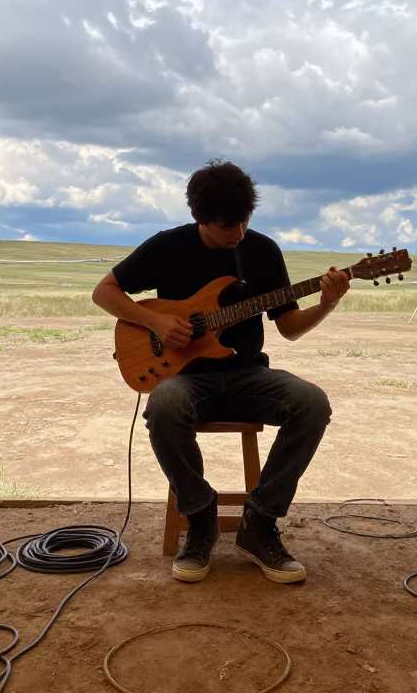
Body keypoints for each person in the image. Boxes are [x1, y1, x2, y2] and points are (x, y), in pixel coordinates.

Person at [92, 159, 349, 584]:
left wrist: (326, 303)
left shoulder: (262, 252)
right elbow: (104, 292)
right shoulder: (166, 246)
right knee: (164, 405)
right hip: (187, 378)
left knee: (312, 402)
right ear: (199, 218)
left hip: (249, 374)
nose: (238, 234)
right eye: (226, 226)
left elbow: (289, 329)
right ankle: (200, 518)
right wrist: (154, 321)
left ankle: (260, 523)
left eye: (244, 221)